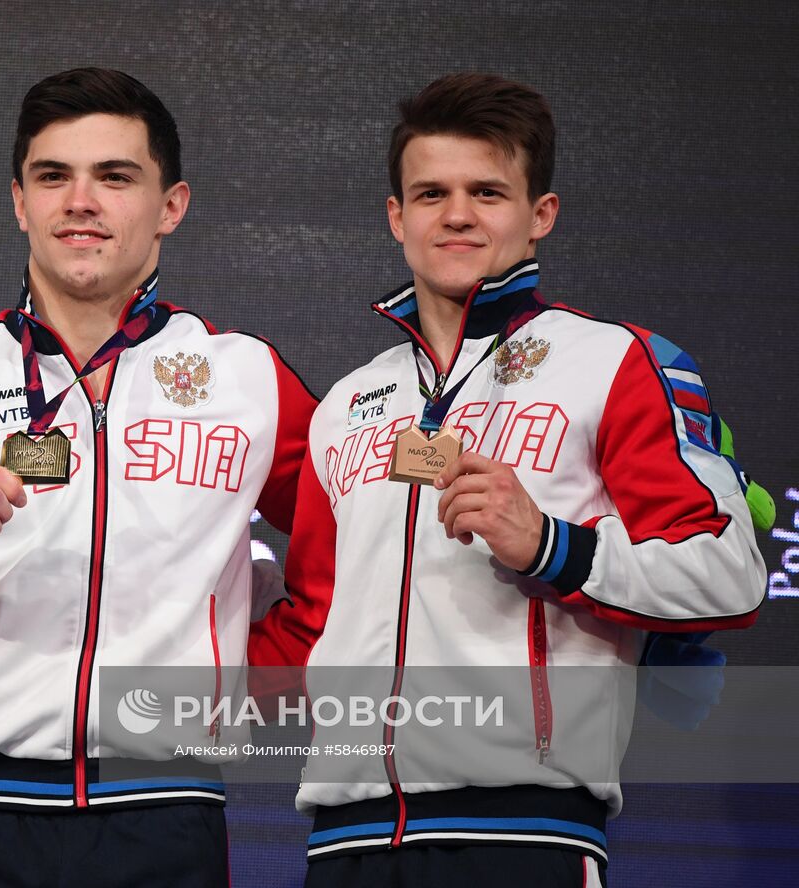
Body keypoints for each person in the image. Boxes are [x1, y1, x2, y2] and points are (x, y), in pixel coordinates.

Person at [248, 72, 767, 887]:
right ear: (398, 218)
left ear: (540, 215)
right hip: (344, 843)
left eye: (488, 191)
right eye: (431, 193)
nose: (457, 214)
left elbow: (729, 574)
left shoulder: (615, 362)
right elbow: (314, 626)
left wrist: (552, 547)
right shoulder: (348, 403)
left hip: (526, 836)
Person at [0, 67, 317, 887]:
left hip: (169, 817)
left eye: (115, 176)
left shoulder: (248, 380)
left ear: (171, 206)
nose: (81, 200)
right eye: (54, 176)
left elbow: (356, 550)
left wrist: (242, 677)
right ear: (20, 202)